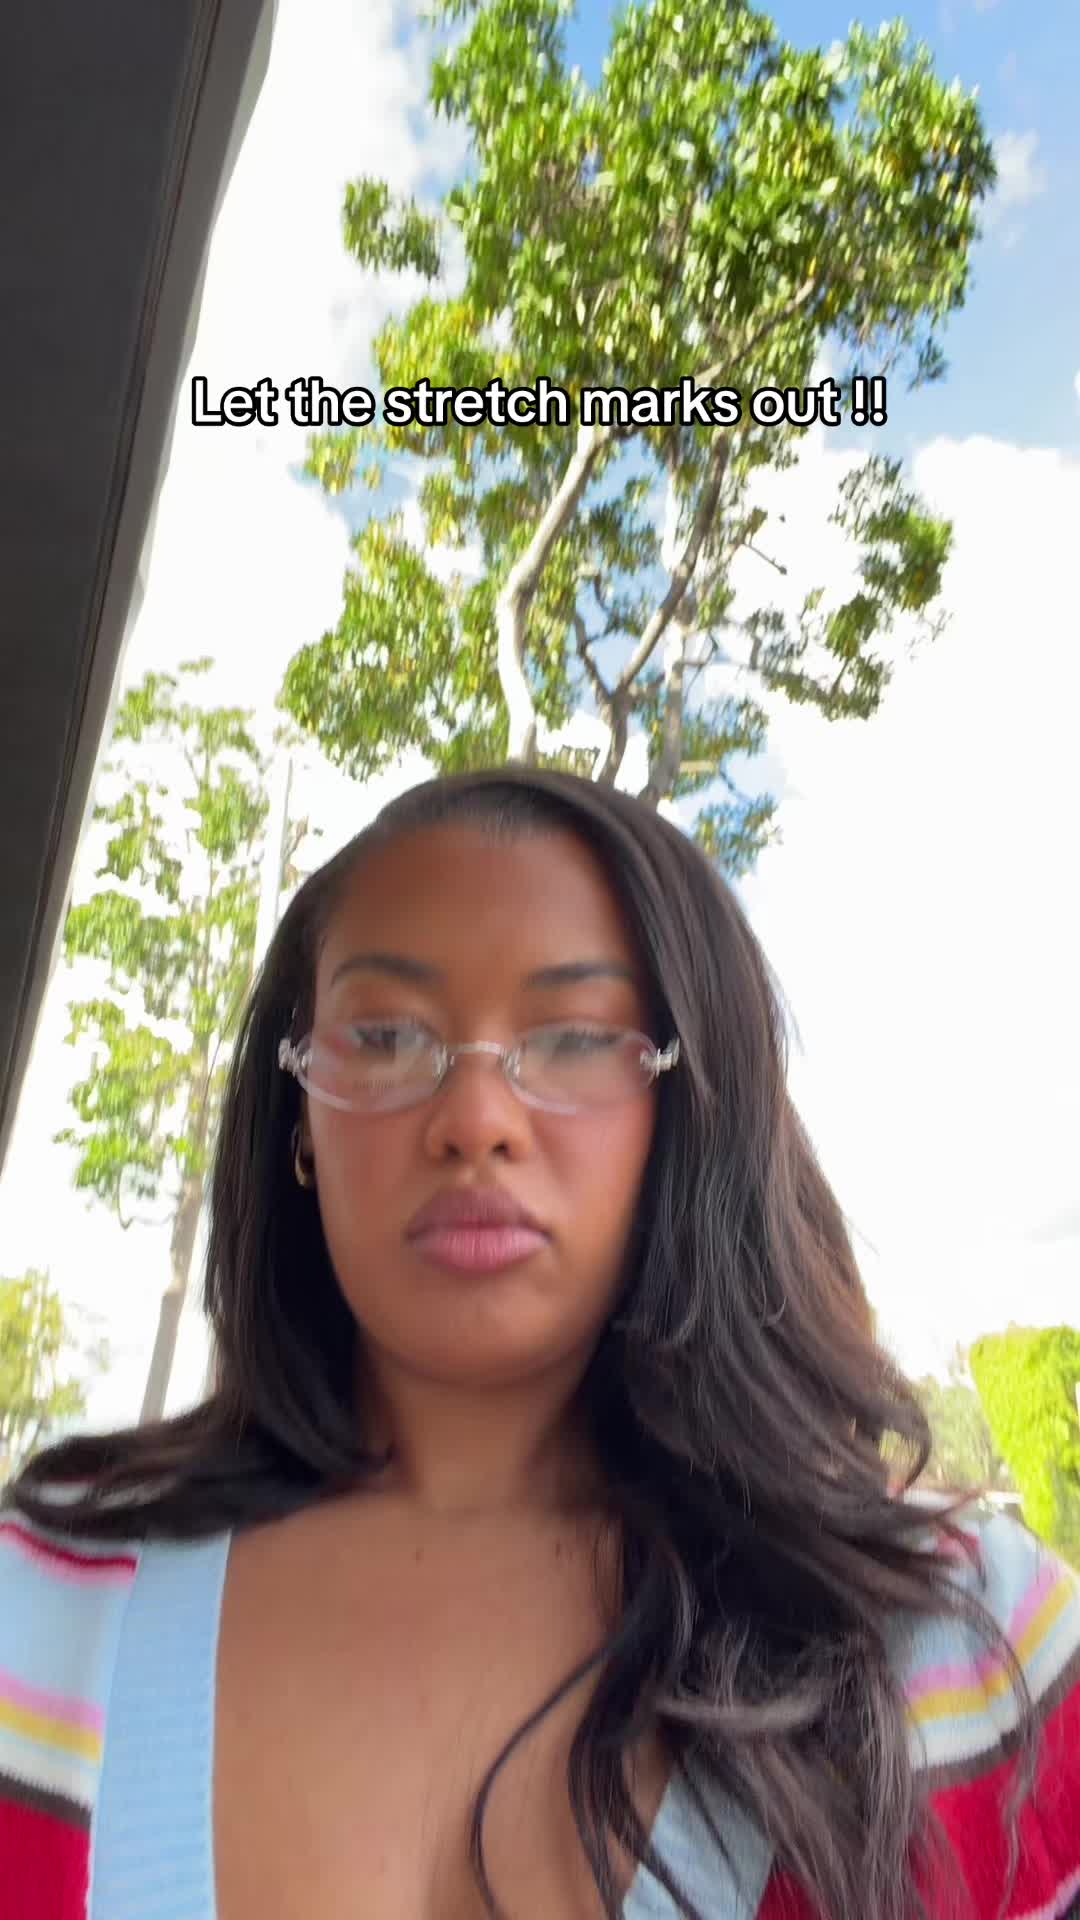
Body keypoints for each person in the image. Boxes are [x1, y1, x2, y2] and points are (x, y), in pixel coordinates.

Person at [1, 767, 1077, 1920]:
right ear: (300, 1118)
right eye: (385, 1034)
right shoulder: (36, 1603)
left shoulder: (970, 1646)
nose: (475, 1120)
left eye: (575, 1038)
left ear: (688, 1115)